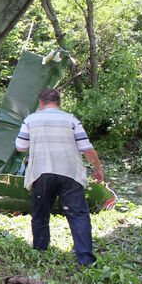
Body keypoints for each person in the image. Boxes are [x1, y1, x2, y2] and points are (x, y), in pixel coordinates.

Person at [15, 88, 105, 266]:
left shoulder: (30, 120)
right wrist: (98, 169)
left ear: (40, 103)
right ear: (59, 103)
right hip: (70, 173)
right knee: (78, 215)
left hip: (41, 173)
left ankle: (40, 253)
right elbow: (86, 148)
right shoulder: (71, 120)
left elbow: (20, 147)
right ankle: (85, 259)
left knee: (40, 215)